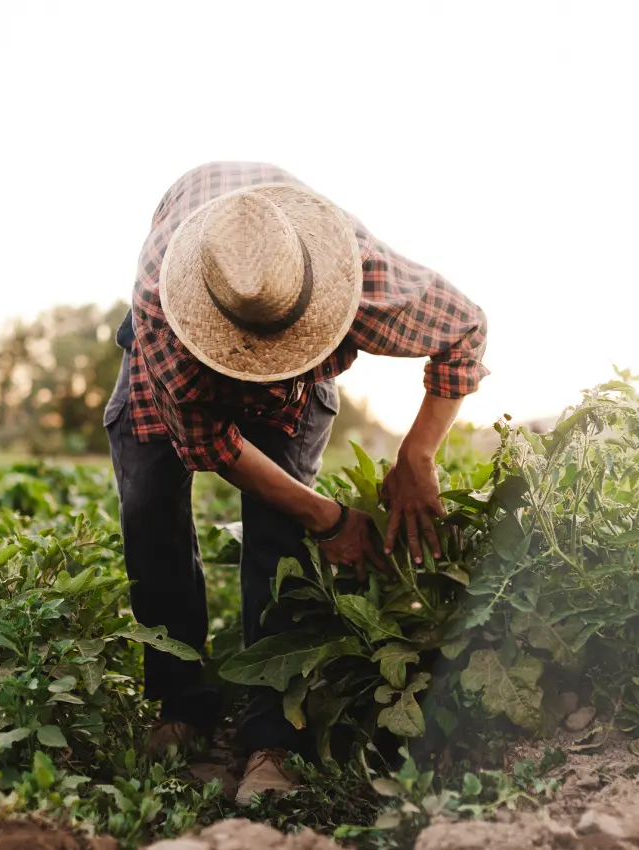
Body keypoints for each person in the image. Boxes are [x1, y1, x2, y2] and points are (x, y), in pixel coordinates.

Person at [102, 162, 489, 805]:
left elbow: (465, 330)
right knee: (149, 514)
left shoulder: (358, 273)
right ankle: (182, 702)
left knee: (281, 539)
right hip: (172, 357)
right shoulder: (164, 314)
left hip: (299, 367)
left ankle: (273, 736)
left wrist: (418, 455)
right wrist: (330, 518)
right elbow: (213, 445)